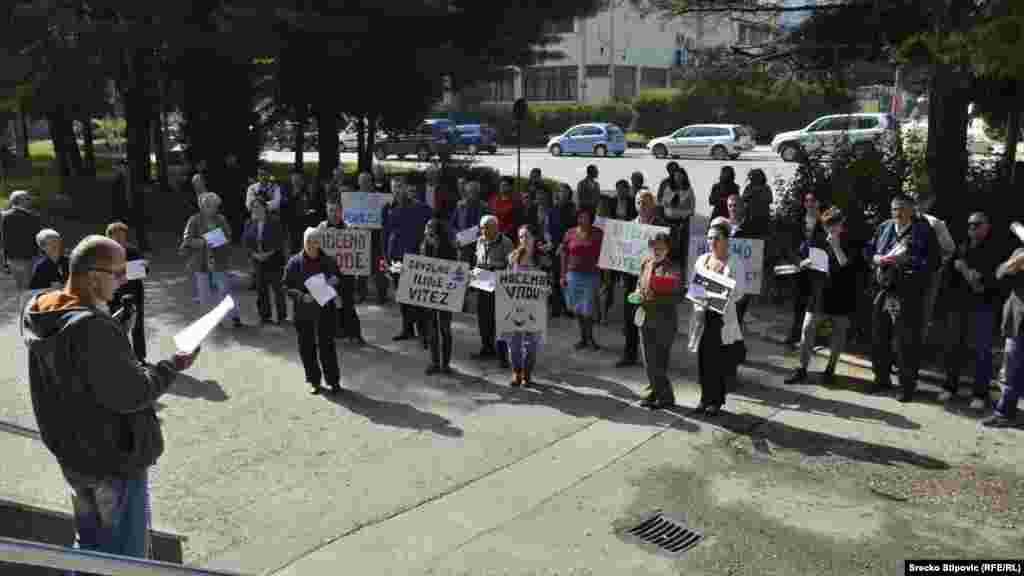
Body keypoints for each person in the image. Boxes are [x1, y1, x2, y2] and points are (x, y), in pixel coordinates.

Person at [22, 235, 199, 560]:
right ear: (92, 277)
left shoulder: (43, 309)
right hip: (112, 461)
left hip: (75, 456)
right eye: (118, 273)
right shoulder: (93, 330)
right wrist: (174, 364)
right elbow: (134, 394)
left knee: (90, 542)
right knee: (125, 557)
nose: (123, 281)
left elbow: (75, 358)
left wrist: (114, 327)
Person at [865, 194, 932, 401]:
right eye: (894, 209)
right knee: (879, 336)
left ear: (912, 210)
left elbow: (934, 261)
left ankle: (906, 387)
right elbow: (869, 250)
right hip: (883, 290)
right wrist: (876, 258)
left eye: (901, 209)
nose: (897, 213)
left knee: (906, 341)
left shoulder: (923, 230)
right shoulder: (885, 227)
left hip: (907, 292)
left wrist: (906, 263)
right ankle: (881, 379)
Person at [784, 208, 860, 384]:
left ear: (842, 224)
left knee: (839, 333)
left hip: (842, 293)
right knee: (807, 329)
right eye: (827, 226)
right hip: (819, 292)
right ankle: (802, 368)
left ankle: (830, 369)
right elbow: (800, 257)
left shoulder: (850, 241)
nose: (831, 229)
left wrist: (835, 245)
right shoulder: (816, 241)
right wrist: (803, 263)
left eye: (835, 225)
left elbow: (847, 266)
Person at [941, 212, 1000, 409]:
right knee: (953, 347)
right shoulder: (962, 246)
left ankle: (980, 394)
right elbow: (950, 274)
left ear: (987, 227)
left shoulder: (993, 251)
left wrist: (965, 271)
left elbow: (981, 286)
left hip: (983, 306)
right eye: (970, 225)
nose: (972, 228)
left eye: (977, 225)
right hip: (958, 305)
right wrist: (965, 273)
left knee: (981, 351)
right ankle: (950, 387)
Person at [688, 221, 745, 416]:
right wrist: (699, 305)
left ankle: (716, 401)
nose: (712, 241)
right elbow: (695, 288)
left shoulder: (735, 262)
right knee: (703, 358)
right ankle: (704, 398)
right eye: (710, 238)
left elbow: (739, 293)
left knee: (718, 360)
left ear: (726, 241)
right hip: (703, 316)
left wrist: (721, 293)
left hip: (722, 317)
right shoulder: (702, 260)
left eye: (716, 238)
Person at [282, 227, 343, 395]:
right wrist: (301, 296)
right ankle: (314, 381)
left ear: (319, 243)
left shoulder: (329, 260)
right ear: (304, 242)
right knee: (306, 347)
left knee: (327, 347)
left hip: (325, 311)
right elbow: (286, 286)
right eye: (308, 241)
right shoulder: (294, 262)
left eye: (315, 241)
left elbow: (339, 278)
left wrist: (335, 281)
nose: (311, 245)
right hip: (304, 312)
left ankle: (333, 381)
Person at [632, 232, 681, 408]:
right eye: (654, 246)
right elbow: (639, 283)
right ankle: (654, 391)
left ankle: (666, 397)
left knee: (658, 362)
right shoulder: (646, 263)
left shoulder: (672, 268)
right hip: (645, 318)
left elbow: (677, 296)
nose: (657, 250)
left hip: (664, 321)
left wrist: (656, 295)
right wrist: (638, 293)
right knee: (648, 360)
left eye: (661, 247)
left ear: (668, 249)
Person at [181, 192, 243, 328]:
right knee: (204, 294)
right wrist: (203, 241)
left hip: (219, 260)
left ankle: (232, 316)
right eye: (210, 206)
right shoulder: (194, 220)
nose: (213, 209)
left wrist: (212, 239)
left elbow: (228, 237)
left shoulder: (221, 219)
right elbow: (187, 240)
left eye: (215, 206)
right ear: (202, 206)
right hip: (201, 261)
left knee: (223, 290)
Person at [618, 190, 665, 368]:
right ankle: (629, 355)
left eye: (645, 202)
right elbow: (622, 253)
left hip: (652, 280)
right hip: (631, 280)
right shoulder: (629, 225)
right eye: (638, 202)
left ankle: (654, 358)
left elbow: (667, 254)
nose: (642, 206)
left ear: (653, 204)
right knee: (630, 317)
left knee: (651, 318)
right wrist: (621, 275)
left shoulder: (660, 226)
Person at [387, 176, 433, 343]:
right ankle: (407, 329)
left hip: (414, 257)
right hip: (395, 258)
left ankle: (423, 333)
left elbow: (432, 227)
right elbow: (385, 233)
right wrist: (385, 257)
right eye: (394, 187)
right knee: (402, 296)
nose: (397, 190)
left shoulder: (420, 207)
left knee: (417, 297)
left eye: (400, 186)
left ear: (406, 188)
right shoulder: (388, 207)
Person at [504, 224, 550, 387]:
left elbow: (547, 280)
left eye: (527, 236)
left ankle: (527, 373)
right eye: (521, 236)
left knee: (531, 344)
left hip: (534, 307)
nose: (523, 239)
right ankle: (516, 372)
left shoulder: (541, 259)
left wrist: (547, 288)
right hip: (515, 306)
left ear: (534, 238)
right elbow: (506, 280)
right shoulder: (512, 257)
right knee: (514, 343)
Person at [985, 237, 1024, 427]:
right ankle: (1004, 413)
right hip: (1018, 319)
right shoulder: (1020, 252)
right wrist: (1016, 261)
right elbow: (1000, 274)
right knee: (1010, 368)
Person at [318, 196, 365, 344]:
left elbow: (358, 253)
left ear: (342, 211)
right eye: (331, 210)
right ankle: (329, 334)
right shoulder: (321, 228)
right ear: (327, 212)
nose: (334, 213)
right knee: (326, 305)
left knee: (348, 304)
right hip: (328, 274)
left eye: (337, 210)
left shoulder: (350, 228)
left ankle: (355, 335)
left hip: (346, 274)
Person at [785, 190, 827, 346]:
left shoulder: (825, 222)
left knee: (817, 304)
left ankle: (816, 339)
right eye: (807, 201)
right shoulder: (798, 222)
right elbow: (790, 245)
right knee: (798, 302)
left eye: (813, 200)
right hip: (801, 268)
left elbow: (828, 245)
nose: (810, 204)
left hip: (818, 269)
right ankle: (795, 335)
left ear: (818, 203)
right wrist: (798, 262)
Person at [561, 207, 604, 350]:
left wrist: (606, 278)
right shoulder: (570, 233)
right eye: (580, 217)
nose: (582, 220)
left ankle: (590, 338)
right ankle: (583, 338)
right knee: (577, 309)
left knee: (588, 308)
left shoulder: (598, 233)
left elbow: (605, 255)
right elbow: (564, 254)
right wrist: (562, 275)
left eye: (585, 217)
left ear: (591, 219)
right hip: (573, 275)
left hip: (591, 275)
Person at [473, 215, 514, 366]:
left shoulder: (506, 242)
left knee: (500, 320)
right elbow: (478, 260)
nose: (484, 230)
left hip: (498, 284)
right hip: (482, 283)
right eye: (482, 227)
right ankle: (487, 348)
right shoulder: (480, 240)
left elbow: (511, 265)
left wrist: (492, 266)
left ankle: (503, 356)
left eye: (487, 227)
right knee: (483, 318)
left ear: (496, 228)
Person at [421, 217, 458, 375]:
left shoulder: (448, 248)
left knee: (445, 328)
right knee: (432, 328)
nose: (427, 230)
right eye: (426, 226)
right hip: (429, 293)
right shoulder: (423, 246)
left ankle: (446, 364)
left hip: (445, 294)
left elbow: (455, 270)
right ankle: (434, 362)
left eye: (430, 227)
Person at [106, 222, 148, 361]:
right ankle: (117, 357)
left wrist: (121, 271)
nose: (120, 239)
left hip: (134, 292)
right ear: (109, 237)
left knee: (137, 325)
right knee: (114, 326)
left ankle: (140, 357)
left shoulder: (132, 251)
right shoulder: (103, 253)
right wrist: (129, 269)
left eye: (122, 236)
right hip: (112, 294)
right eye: (116, 236)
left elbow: (144, 271)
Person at [244, 200, 288, 325]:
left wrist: (268, 254)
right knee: (261, 290)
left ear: (265, 208)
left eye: (258, 207)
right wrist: (254, 254)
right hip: (257, 261)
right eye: (253, 208)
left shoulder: (275, 221)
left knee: (278, 290)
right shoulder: (249, 223)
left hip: (274, 260)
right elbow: (245, 242)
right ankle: (265, 316)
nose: (255, 210)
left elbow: (280, 240)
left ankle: (282, 316)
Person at [602, 179, 638, 318]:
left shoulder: (633, 202)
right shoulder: (611, 202)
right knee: (609, 280)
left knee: (629, 281)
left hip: (629, 243)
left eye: (624, 189)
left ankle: (629, 312)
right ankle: (605, 312)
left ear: (628, 189)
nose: (621, 191)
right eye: (619, 189)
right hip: (613, 242)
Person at [2, 189, 43, 290]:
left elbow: (3, 239)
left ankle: (22, 304)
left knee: (20, 287)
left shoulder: (5, 217)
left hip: (12, 258)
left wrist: (4, 260)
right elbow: (39, 239)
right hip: (29, 258)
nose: (30, 200)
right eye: (27, 198)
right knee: (29, 288)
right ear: (20, 201)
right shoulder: (33, 217)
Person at [657, 165, 695, 270]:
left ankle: (681, 267)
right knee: (668, 246)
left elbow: (692, 208)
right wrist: (670, 202)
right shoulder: (669, 188)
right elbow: (663, 203)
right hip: (668, 221)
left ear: (684, 177)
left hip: (682, 222)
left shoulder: (689, 190)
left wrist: (684, 214)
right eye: (676, 176)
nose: (678, 178)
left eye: (680, 176)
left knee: (681, 246)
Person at [550, 183, 576, 318]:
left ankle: (568, 308)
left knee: (567, 279)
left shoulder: (573, 210)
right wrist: (551, 243)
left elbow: (574, 230)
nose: (562, 194)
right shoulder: (553, 210)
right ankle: (556, 307)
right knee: (555, 279)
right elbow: (549, 229)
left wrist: (563, 244)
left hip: (568, 249)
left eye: (565, 192)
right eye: (560, 192)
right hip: (555, 248)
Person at [451, 179, 484, 264]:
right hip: (463, 245)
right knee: (462, 271)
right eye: (470, 192)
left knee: (477, 271)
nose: (473, 194)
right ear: (466, 192)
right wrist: (457, 236)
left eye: (475, 191)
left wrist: (482, 232)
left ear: (478, 193)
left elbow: (489, 224)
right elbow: (452, 225)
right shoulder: (460, 206)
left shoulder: (484, 207)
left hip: (479, 245)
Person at [742, 168, 773, 235]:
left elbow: (770, 199)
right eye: (753, 176)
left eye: (756, 176)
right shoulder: (749, 187)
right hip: (750, 214)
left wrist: (759, 196)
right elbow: (743, 198)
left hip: (763, 214)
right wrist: (751, 195)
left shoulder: (766, 187)